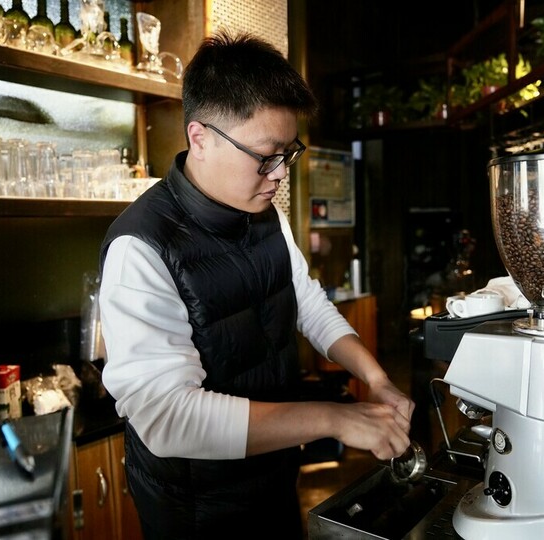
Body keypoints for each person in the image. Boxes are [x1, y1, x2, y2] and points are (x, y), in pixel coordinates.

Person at [98, 31, 414, 539]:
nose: (280, 174)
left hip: (273, 472)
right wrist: (334, 419)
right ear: (200, 138)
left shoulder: (265, 214)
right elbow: (166, 417)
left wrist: (374, 378)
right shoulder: (142, 246)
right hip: (198, 507)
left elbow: (307, 303)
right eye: (266, 155)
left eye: (289, 153)